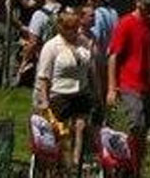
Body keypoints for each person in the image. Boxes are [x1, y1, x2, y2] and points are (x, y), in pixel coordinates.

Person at [108, 0, 150, 175]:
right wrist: (112, 87)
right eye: (147, 5)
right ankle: (125, 162)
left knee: (147, 128)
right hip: (129, 82)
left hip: (148, 83)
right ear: (138, 3)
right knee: (136, 124)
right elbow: (113, 56)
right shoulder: (126, 23)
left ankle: (137, 166)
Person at [36, 9, 94, 174]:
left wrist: (95, 90)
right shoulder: (52, 46)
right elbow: (44, 77)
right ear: (62, 28)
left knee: (81, 126)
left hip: (81, 92)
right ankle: (62, 163)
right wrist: (44, 100)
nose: (75, 31)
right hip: (60, 94)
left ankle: (76, 162)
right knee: (63, 131)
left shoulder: (84, 43)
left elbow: (90, 69)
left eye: (77, 27)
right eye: (71, 28)